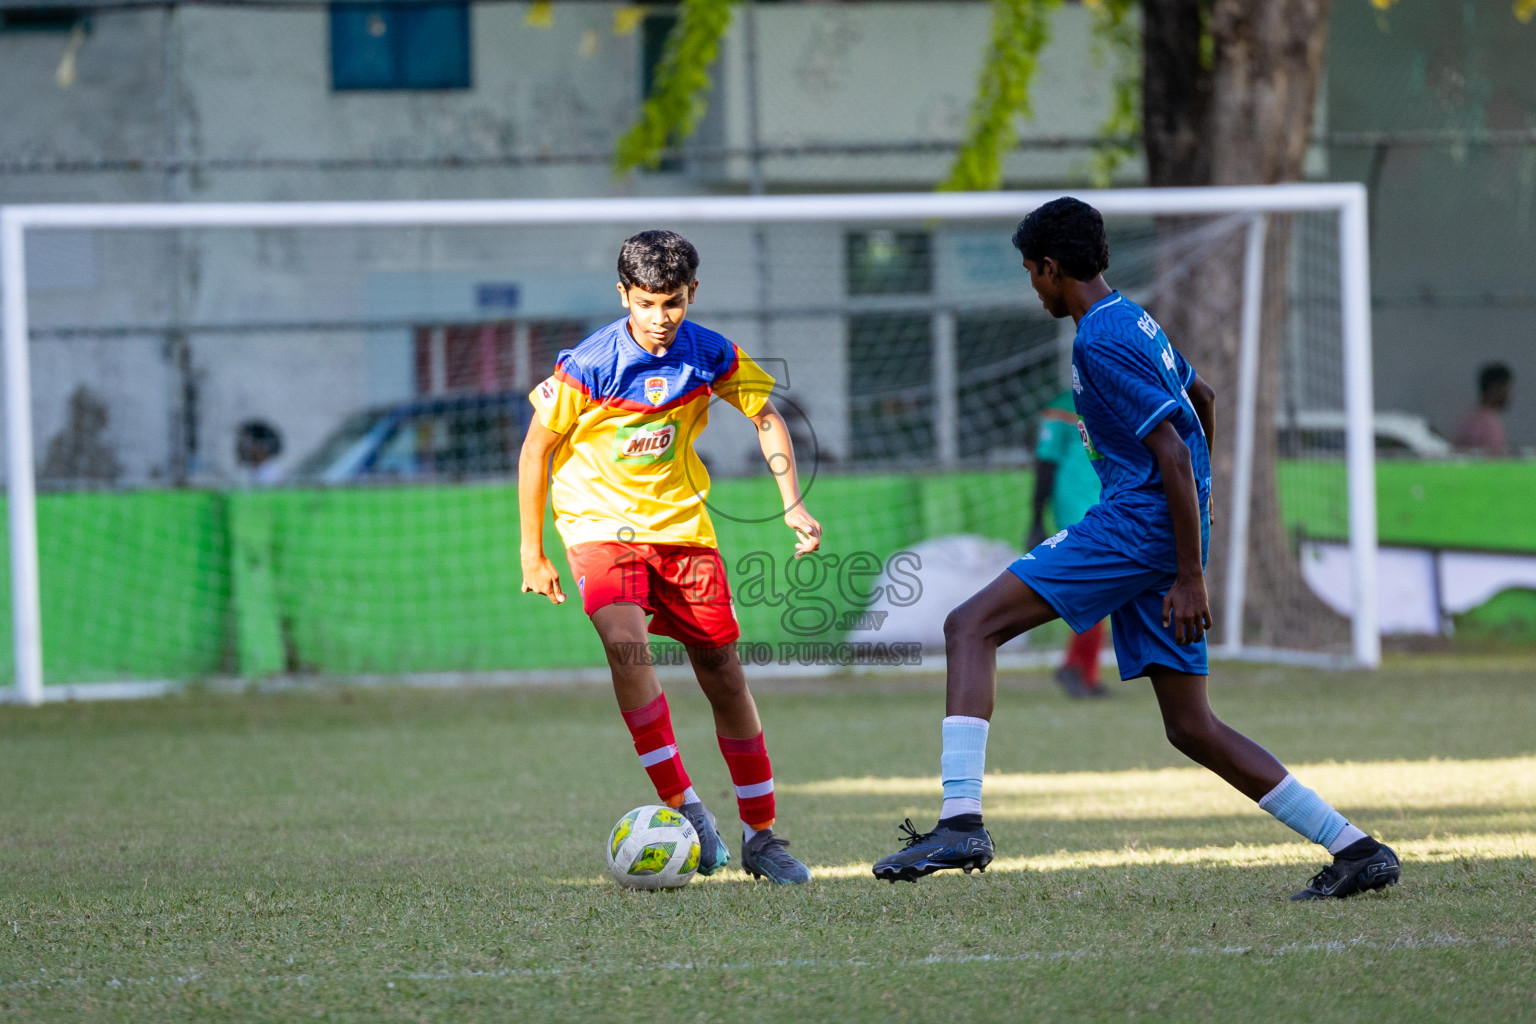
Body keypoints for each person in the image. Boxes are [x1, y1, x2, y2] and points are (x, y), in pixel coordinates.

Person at [872, 198, 1401, 901]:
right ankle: (1355, 847)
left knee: (970, 625)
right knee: (1191, 725)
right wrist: (1194, 532)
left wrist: (1189, 571)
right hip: (1160, 530)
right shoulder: (1134, 318)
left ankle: (961, 820)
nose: (1033, 286)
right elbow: (1203, 397)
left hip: (1137, 528)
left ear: (1053, 269)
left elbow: (1174, 450)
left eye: (1032, 273)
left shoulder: (1099, 339)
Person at [518, 230, 820, 884]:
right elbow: (536, 448)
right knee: (626, 644)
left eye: (674, 303)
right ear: (624, 295)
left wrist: (792, 503)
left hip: (683, 532)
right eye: (648, 303)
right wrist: (530, 551)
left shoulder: (709, 353)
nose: (661, 319)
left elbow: (766, 415)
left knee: (723, 673)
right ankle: (684, 804)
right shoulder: (590, 364)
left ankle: (762, 836)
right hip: (599, 525)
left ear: (692, 295)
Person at [1028, 390, 1107, 697]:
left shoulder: (1116, 401)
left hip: (1108, 505)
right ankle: (1075, 668)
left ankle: (1084, 672)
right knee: (1094, 589)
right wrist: (1035, 518)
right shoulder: (1061, 408)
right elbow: (1044, 464)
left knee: (1103, 590)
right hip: (1076, 509)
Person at [1453, 363, 1513, 456]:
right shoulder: (1488, 424)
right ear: (1495, 389)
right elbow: (1494, 462)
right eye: (1507, 390)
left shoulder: (1470, 418)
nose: (1509, 396)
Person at [235, 419, 283, 484]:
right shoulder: (252, 472)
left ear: (261, 445)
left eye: (245, 441)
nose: (239, 447)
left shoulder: (270, 478)